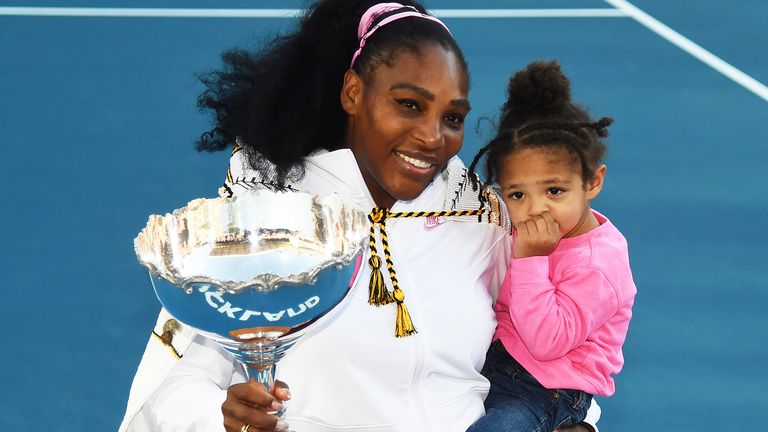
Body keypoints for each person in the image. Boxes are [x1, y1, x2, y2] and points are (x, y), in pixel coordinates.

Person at [119, 2, 601, 431]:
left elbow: (551, 357)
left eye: (452, 118)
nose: (432, 137)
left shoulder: (483, 219)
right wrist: (222, 419)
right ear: (353, 93)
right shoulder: (263, 225)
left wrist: (579, 426)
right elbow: (173, 391)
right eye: (408, 105)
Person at [465, 60, 636, 432]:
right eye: (517, 194)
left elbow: (547, 342)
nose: (535, 207)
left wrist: (531, 259)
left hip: (549, 390)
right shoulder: (519, 227)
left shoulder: (599, 263)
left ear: (592, 182)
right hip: (496, 364)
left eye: (554, 190)